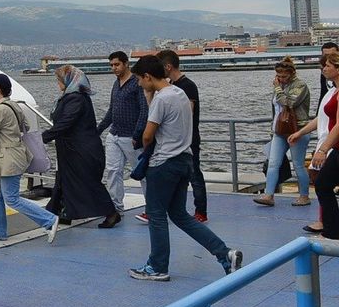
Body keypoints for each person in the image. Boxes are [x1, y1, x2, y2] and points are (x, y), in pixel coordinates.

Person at [128, 55, 242, 281]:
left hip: (163, 163)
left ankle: (158, 267)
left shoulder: (162, 99)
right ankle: (224, 254)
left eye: (140, 79)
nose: (139, 84)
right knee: (180, 215)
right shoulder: (179, 93)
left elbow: (148, 135)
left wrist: (147, 149)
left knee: (156, 215)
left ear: (148, 76)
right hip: (184, 160)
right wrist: (149, 96)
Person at [0, 74, 59, 243]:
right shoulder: (13, 105)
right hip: (8, 157)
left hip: (7, 159)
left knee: (11, 198)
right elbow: (27, 126)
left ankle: (49, 220)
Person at [42, 65, 116, 224]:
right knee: (65, 180)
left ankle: (110, 212)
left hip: (80, 149)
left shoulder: (75, 98)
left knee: (87, 180)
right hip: (72, 148)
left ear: (68, 80)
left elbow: (66, 122)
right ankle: (63, 213)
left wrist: (44, 137)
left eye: (59, 80)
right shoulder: (74, 97)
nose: (58, 83)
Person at [291, 49, 339, 236]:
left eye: (327, 66)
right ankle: (332, 229)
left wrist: (323, 149)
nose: (323, 69)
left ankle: (332, 230)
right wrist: (301, 132)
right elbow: (321, 118)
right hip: (334, 145)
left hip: (334, 146)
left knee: (323, 184)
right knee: (323, 183)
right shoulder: (333, 92)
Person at [95, 51, 145, 227]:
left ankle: (153, 208)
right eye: (111, 65)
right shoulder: (116, 84)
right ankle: (116, 208)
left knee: (141, 173)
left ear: (126, 64)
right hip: (114, 135)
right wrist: (98, 130)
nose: (114, 68)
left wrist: (138, 134)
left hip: (131, 137)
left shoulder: (137, 83)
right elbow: (112, 110)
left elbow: (144, 110)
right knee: (113, 171)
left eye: (116, 64)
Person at [157, 49, 207, 223]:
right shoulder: (171, 86)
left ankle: (201, 210)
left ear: (168, 66)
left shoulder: (187, 86)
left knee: (194, 175)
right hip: (175, 139)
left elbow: (188, 112)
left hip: (189, 138)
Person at [255, 57, 312, 207]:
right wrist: (273, 129)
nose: (281, 79)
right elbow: (276, 109)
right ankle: (269, 195)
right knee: (273, 163)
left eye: (284, 76)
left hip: (298, 130)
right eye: (278, 76)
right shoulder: (279, 86)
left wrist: (277, 89)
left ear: (292, 73)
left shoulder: (300, 85)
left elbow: (289, 103)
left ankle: (304, 196)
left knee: (298, 164)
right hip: (279, 131)